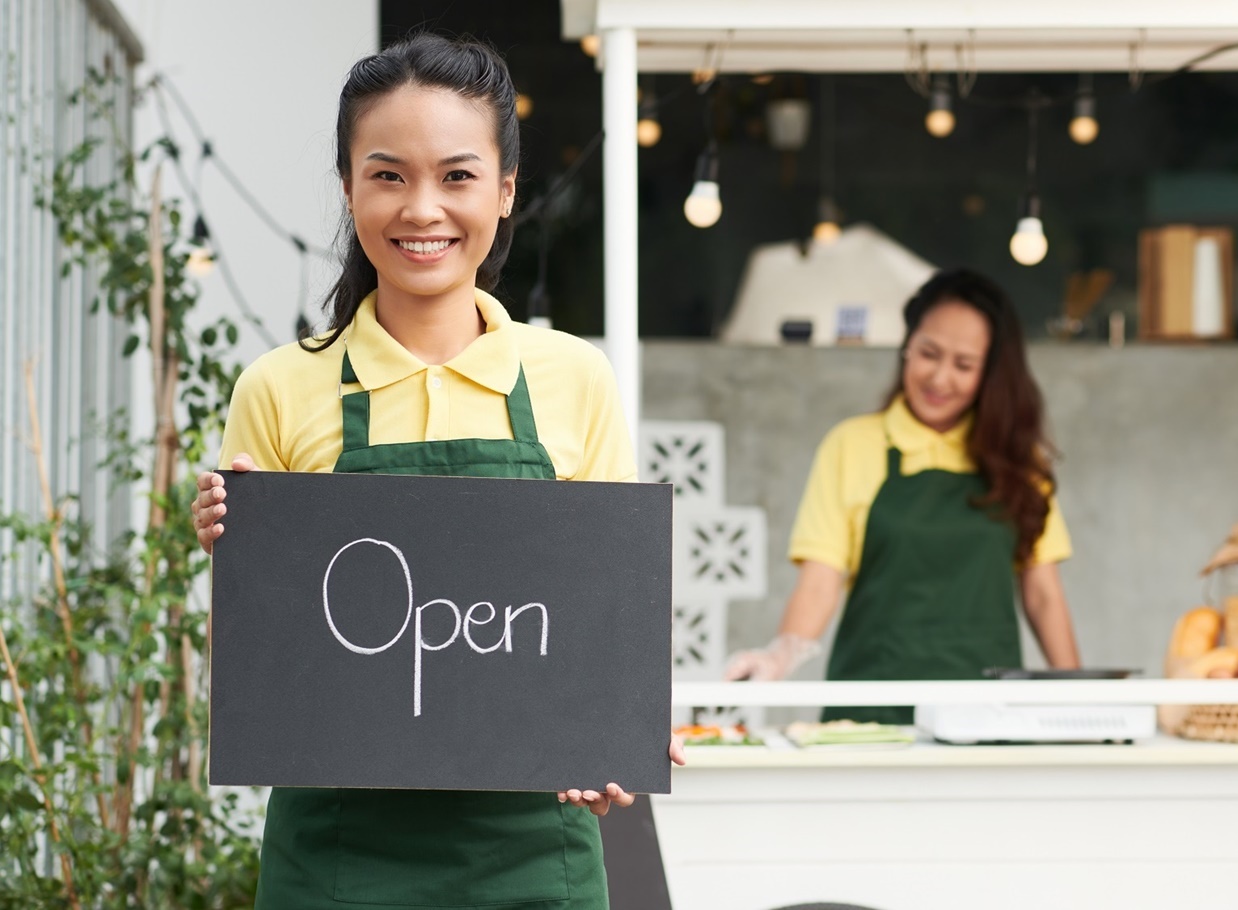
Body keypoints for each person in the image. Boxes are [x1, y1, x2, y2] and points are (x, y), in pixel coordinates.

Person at [188, 34, 680, 909]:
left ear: (504, 189)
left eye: (456, 176)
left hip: (537, 852)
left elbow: (603, 617)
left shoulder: (574, 379)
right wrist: (238, 556)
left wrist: (616, 738)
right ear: (347, 186)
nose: (423, 209)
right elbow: (258, 667)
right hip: (336, 852)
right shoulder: (279, 385)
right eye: (387, 175)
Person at [724, 269, 1082, 725]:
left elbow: (1043, 593)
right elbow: (819, 583)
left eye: (964, 365)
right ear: (906, 347)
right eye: (928, 353)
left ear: (990, 374)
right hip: (870, 716)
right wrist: (777, 659)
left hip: (986, 720)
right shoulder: (851, 445)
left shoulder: (1018, 461)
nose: (940, 377)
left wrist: (1080, 700)